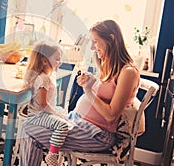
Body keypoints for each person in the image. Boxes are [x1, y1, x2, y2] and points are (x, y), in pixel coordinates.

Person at [19, 19, 140, 165]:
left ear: (111, 39)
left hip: (97, 134)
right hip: (79, 122)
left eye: (95, 41)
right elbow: (106, 92)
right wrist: (92, 82)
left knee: (28, 130)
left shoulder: (128, 72)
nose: (92, 47)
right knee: (28, 126)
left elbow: (110, 115)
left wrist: (88, 90)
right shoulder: (109, 65)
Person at [23, 41, 71, 166]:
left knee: (66, 117)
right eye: (57, 59)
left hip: (45, 112)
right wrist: (56, 114)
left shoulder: (50, 76)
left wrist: (58, 113)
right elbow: (43, 104)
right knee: (63, 125)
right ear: (44, 61)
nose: (59, 62)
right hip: (38, 115)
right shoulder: (43, 78)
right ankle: (52, 155)